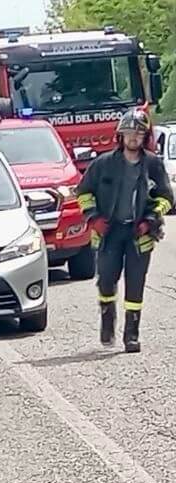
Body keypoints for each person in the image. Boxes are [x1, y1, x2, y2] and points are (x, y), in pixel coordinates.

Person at [77, 108, 174, 353]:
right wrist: (93, 218)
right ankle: (107, 321)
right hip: (109, 234)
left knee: (136, 283)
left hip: (138, 234)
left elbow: (166, 198)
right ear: (120, 136)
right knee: (106, 280)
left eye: (139, 133)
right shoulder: (103, 164)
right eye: (129, 133)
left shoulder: (153, 164)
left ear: (145, 137)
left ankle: (131, 335)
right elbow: (83, 192)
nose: (133, 137)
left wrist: (151, 220)